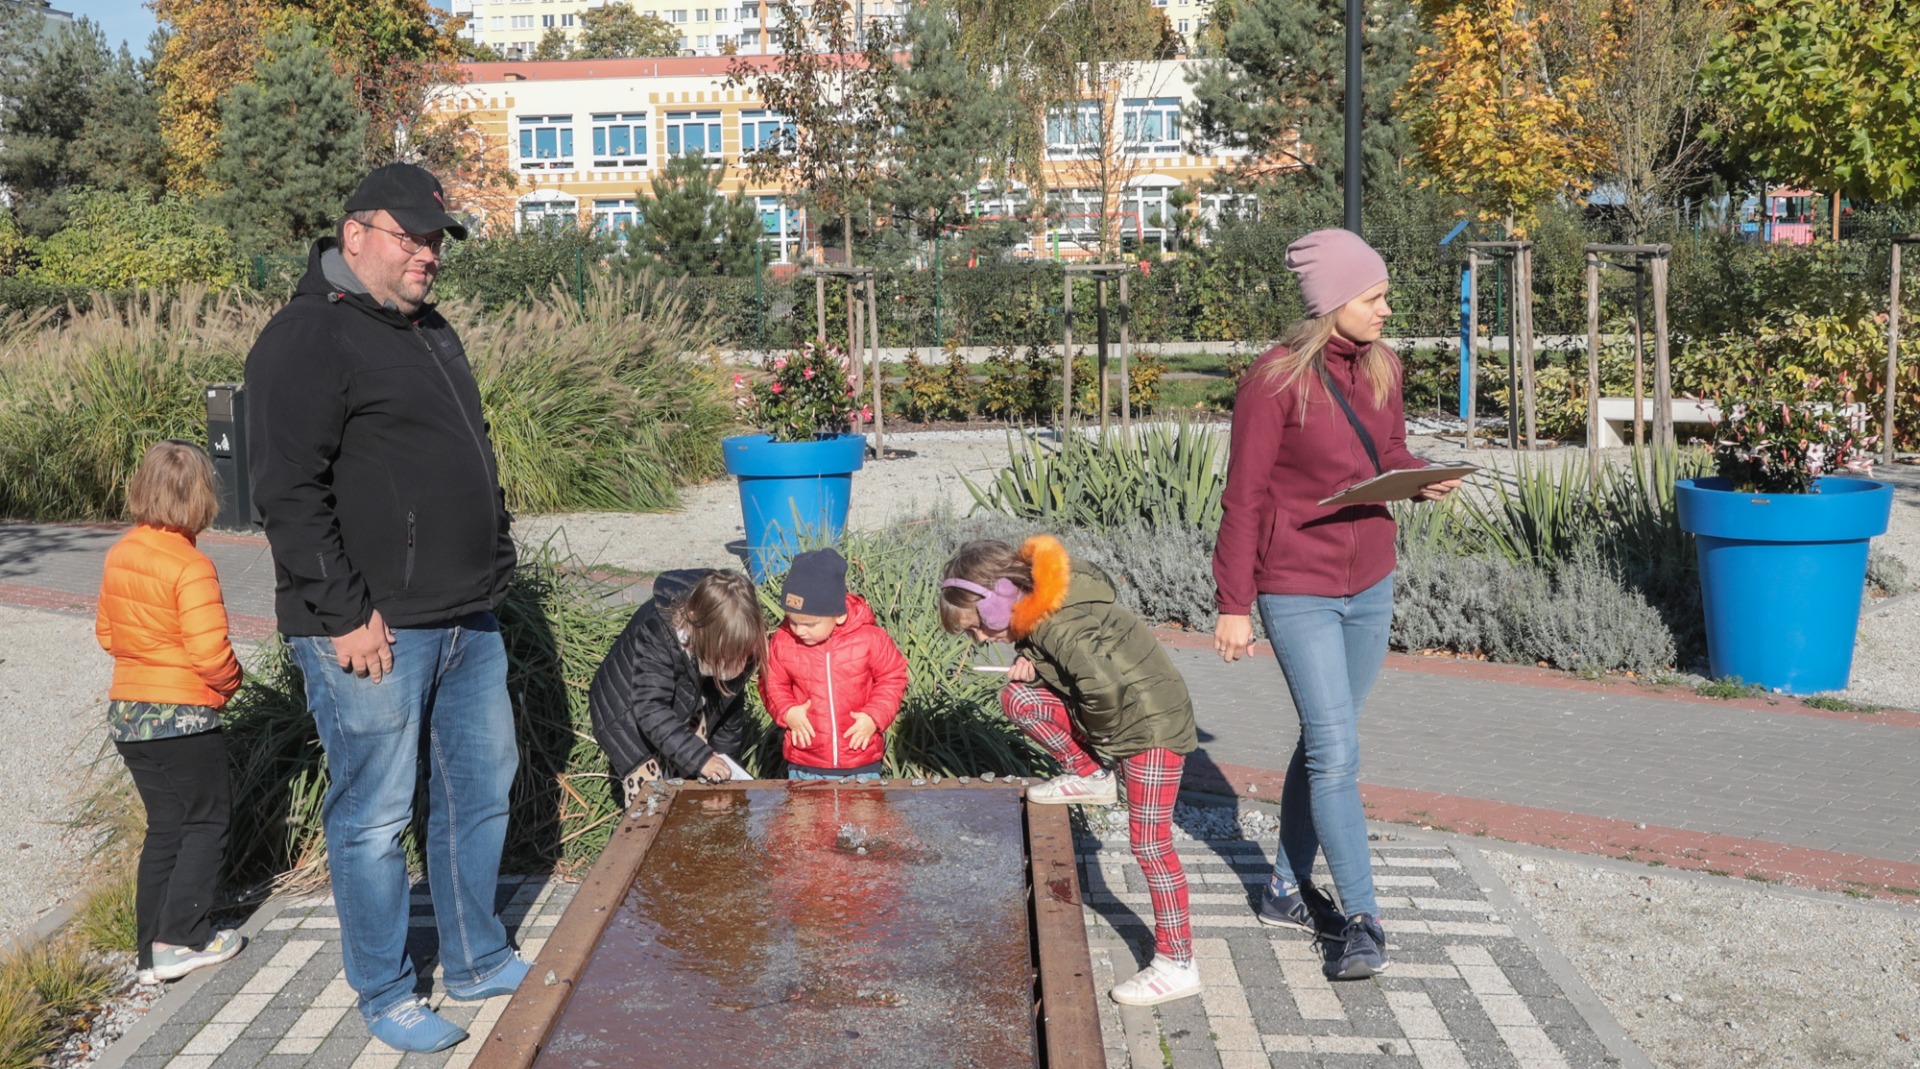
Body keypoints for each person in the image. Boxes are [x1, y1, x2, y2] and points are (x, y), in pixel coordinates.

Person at [245, 164, 524, 1053]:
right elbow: (287, 488)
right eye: (410, 237)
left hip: (466, 616)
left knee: (480, 791)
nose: (428, 254)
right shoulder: (306, 336)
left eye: (436, 239)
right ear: (354, 233)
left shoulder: (429, 330)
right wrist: (340, 612)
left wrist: (498, 551)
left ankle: (477, 956)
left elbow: (467, 450)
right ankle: (386, 990)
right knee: (372, 814)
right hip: (370, 628)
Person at [1209, 228, 1462, 981]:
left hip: (1370, 584)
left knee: (1326, 742)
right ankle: (1363, 917)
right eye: (1374, 296)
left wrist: (1422, 474)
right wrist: (1233, 602)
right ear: (1333, 303)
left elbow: (1387, 454)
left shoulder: (1383, 367)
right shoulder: (1273, 381)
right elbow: (1244, 495)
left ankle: (1283, 888)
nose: (1388, 308)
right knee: (1337, 751)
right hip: (1298, 588)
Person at [938, 534, 1201, 1007]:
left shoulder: (1058, 625)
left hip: (1150, 729)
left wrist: (1104, 747)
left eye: (976, 628)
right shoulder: (1044, 618)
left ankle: (1177, 961)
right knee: (1018, 696)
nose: (978, 640)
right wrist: (1035, 666)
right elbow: (1081, 673)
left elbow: (1103, 692)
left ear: (999, 602)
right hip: (1128, 719)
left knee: (1150, 843)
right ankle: (1091, 776)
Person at [95, 441, 247, 986]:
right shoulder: (191, 564)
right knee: (207, 822)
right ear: (201, 496)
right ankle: (183, 939)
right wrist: (232, 683)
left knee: (166, 828)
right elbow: (210, 654)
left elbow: (107, 635)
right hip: (183, 715)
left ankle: (151, 951)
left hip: (129, 713)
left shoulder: (120, 552)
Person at [589, 569, 766, 803]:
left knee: (692, 773)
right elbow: (651, 709)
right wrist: (702, 758)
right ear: (702, 637)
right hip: (627, 712)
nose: (738, 665)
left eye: (742, 656)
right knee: (651, 793)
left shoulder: (739, 637)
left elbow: (728, 716)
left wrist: (727, 767)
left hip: (685, 697)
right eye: (727, 658)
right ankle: (644, 833)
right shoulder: (658, 632)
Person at [759, 549, 909, 780]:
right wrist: (787, 711)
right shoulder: (783, 640)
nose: (799, 630)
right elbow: (771, 681)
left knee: (863, 815)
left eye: (809, 623)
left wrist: (874, 716)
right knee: (805, 815)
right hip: (805, 761)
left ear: (838, 615)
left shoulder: (870, 638)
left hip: (861, 757)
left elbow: (892, 677)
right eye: (792, 620)